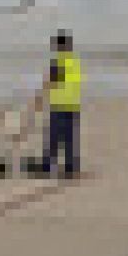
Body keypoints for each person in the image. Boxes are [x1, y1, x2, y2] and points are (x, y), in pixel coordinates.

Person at [32, 30, 82, 178]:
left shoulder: (59, 62)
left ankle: (48, 166)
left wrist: (39, 99)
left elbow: (50, 82)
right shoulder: (75, 62)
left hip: (59, 105)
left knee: (53, 137)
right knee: (69, 138)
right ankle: (70, 168)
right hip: (73, 105)